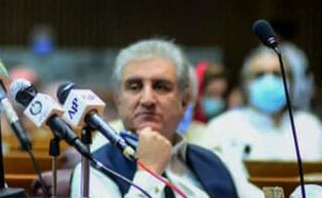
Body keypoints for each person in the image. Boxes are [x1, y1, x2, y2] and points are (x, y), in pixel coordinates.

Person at [70, 39, 262, 198]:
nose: (147, 100)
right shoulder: (95, 170)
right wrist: (148, 173)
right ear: (118, 100)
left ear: (185, 101)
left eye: (161, 87)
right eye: (135, 87)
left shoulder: (215, 162)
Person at [205, 46, 322, 170]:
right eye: (259, 75)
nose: (269, 80)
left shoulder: (310, 126)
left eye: (277, 74)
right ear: (246, 83)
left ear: (291, 83)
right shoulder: (222, 127)